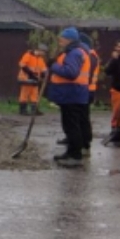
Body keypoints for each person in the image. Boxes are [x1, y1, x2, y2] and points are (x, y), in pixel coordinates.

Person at [46, 27, 91, 167]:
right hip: (72, 94)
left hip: (72, 94)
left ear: (69, 39)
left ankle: (75, 155)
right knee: (70, 125)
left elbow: (71, 73)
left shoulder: (74, 53)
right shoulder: (75, 52)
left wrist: (54, 66)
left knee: (72, 126)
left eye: (62, 38)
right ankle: (71, 152)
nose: (60, 40)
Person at [102, 40, 120, 144]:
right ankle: (116, 133)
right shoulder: (114, 60)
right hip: (117, 89)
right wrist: (114, 60)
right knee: (117, 113)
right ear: (116, 48)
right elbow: (107, 71)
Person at [78, 32, 100, 154]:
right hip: (86, 89)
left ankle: (85, 142)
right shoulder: (91, 55)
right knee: (82, 117)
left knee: (83, 118)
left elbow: (86, 75)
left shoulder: (90, 56)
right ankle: (82, 141)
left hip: (86, 90)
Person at [17, 44, 48, 115]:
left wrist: (44, 75)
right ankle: (23, 110)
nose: (44, 54)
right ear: (39, 50)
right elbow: (22, 65)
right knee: (25, 94)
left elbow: (43, 69)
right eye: (44, 52)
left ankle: (34, 110)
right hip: (26, 78)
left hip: (35, 79)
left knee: (35, 94)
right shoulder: (28, 55)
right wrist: (31, 74)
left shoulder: (40, 59)